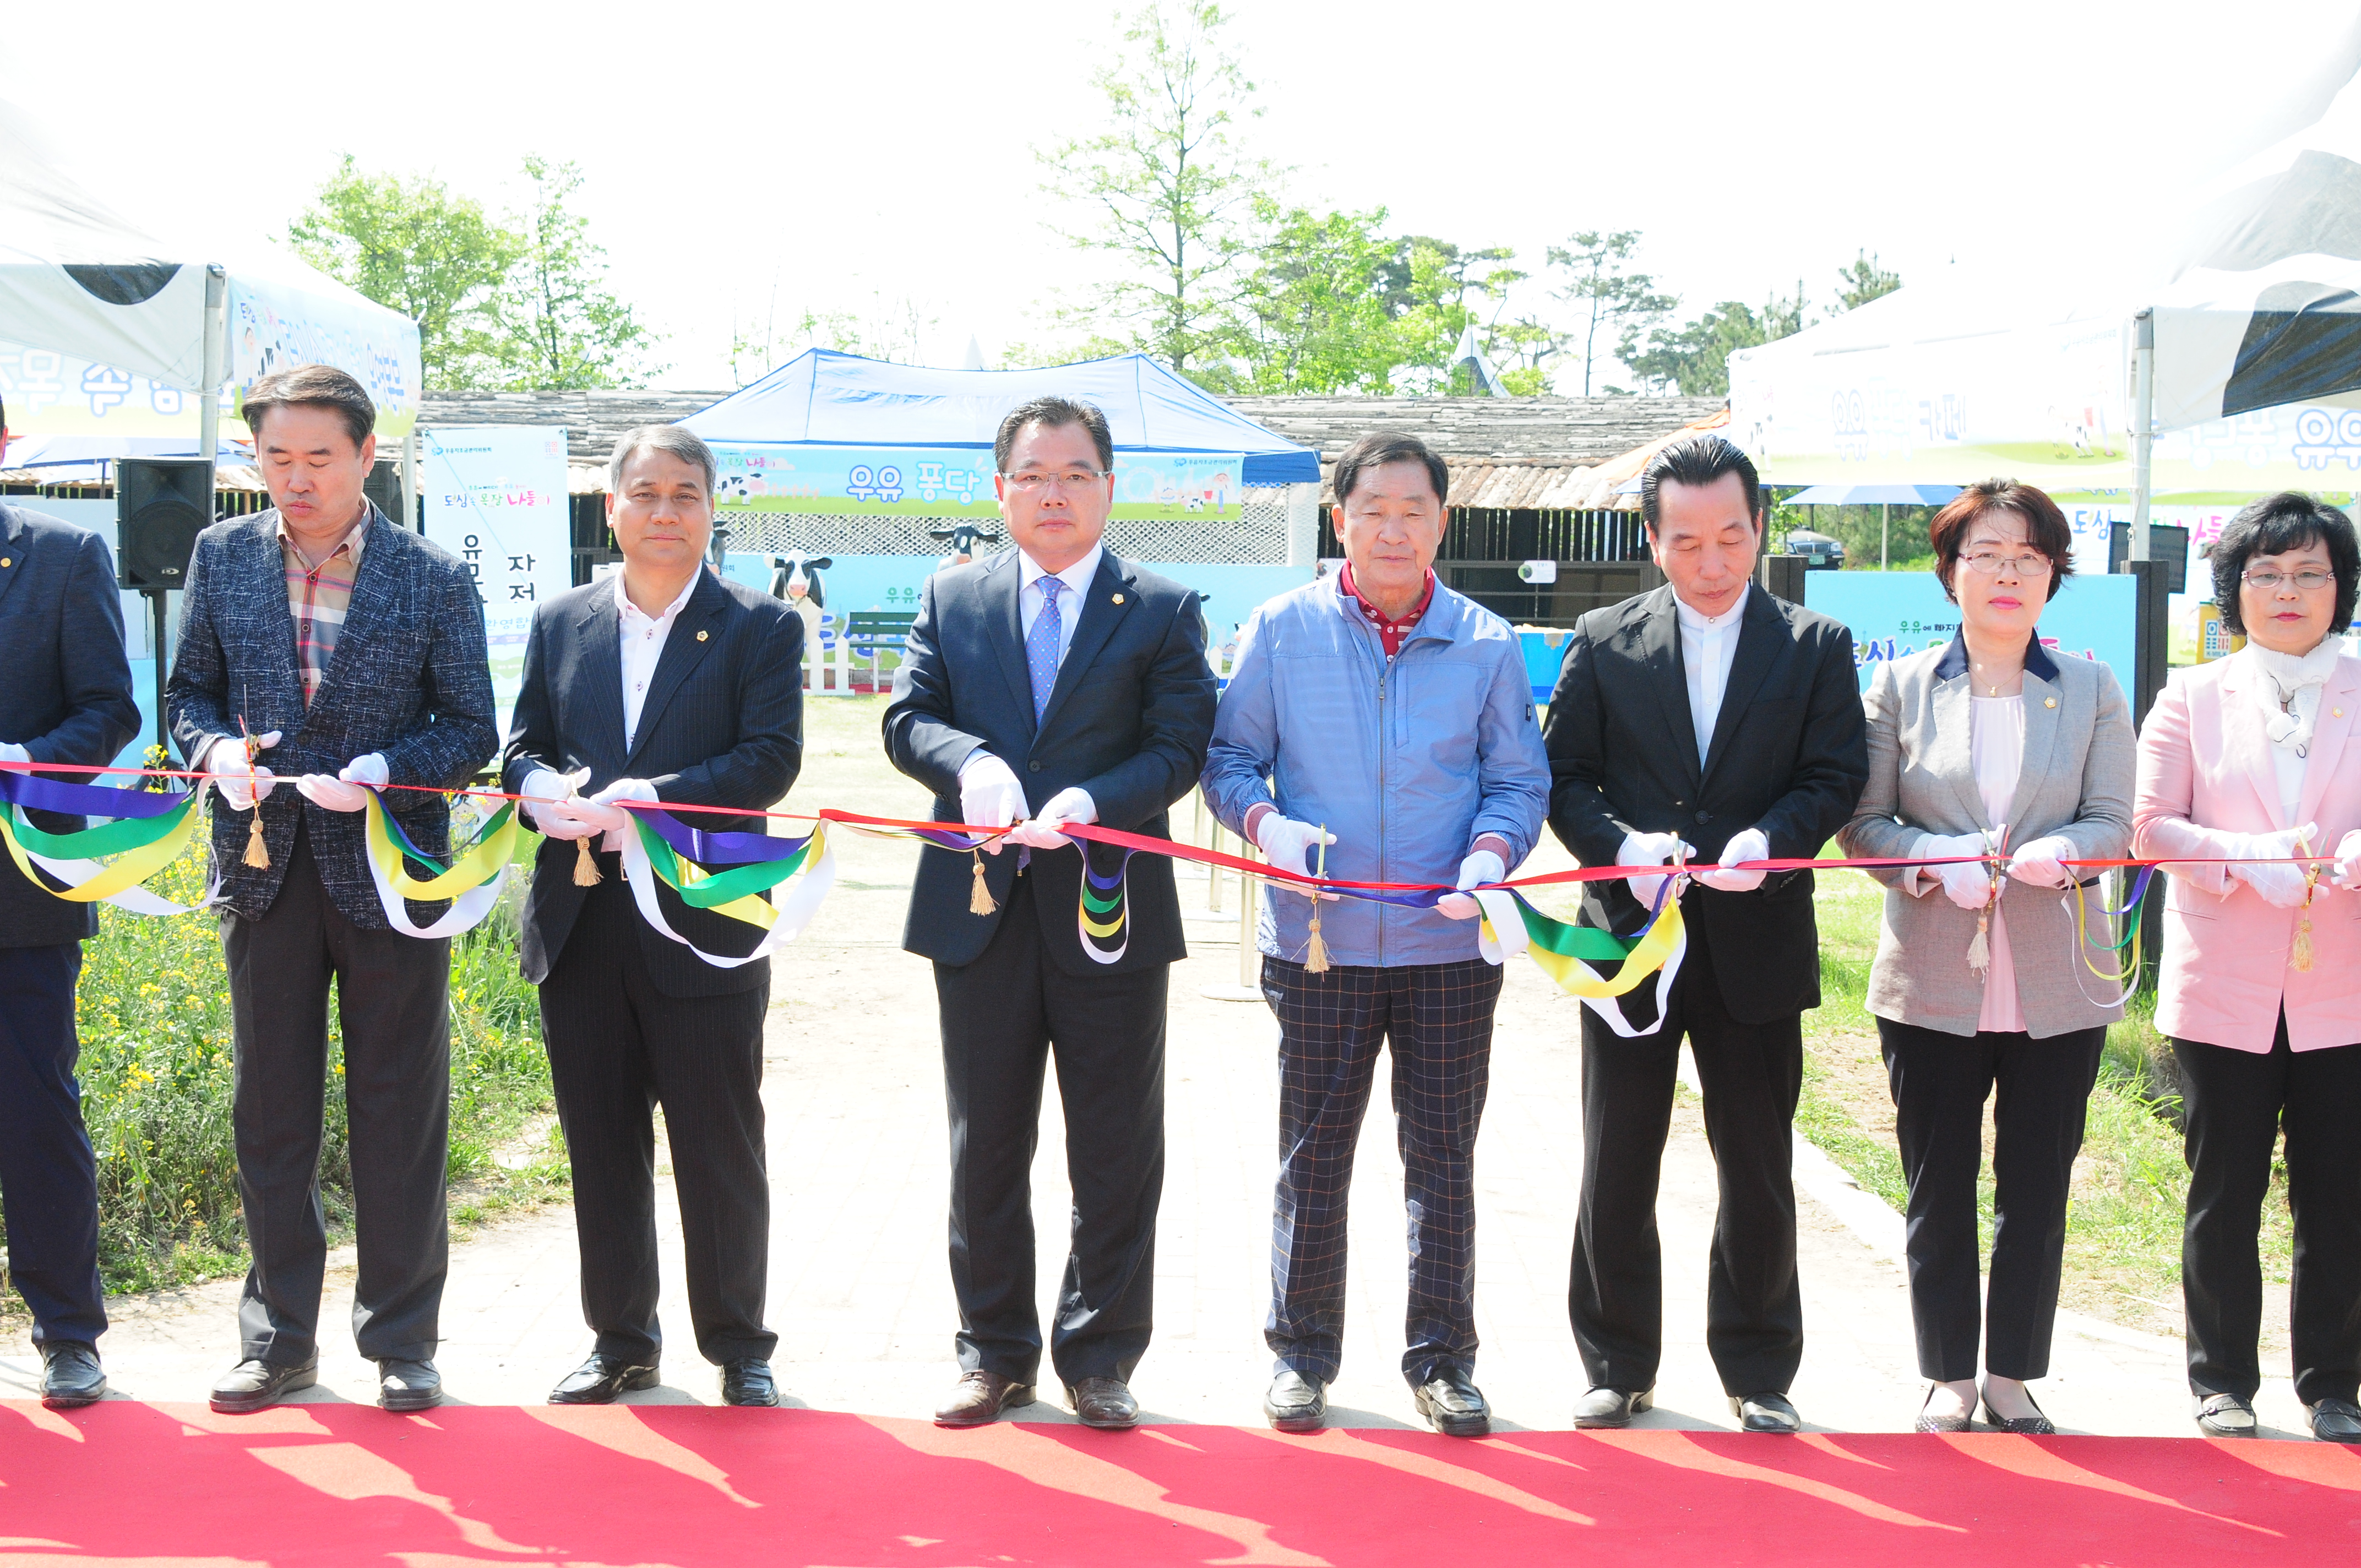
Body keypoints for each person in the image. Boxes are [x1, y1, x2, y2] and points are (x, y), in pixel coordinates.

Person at [1201, 431, 1548, 1437]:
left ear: (1443, 520)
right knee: (1313, 1156)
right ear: (1338, 517)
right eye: (1373, 509)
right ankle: (1301, 1355)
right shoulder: (1281, 630)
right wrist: (1267, 824)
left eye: (1414, 510)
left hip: (1448, 949)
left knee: (1443, 1159)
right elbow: (1230, 760)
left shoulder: (1485, 643)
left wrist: (1491, 856)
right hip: (1319, 945)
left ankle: (1443, 1360)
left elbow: (1519, 780)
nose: (1392, 529)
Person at [167, 365, 497, 1414]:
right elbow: (186, 697)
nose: (295, 479)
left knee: (399, 1107)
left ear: (366, 456)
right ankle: (278, 1342)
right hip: (264, 868)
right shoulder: (222, 557)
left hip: (391, 870)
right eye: (276, 457)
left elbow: (471, 729)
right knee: (271, 1111)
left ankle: (403, 1340)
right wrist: (213, 747)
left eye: (318, 458)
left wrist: (385, 773)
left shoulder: (432, 576)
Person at [885, 395, 1216, 1430]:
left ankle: (1101, 1355)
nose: (1055, 492)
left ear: (1109, 488)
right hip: (978, 902)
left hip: (1106, 905)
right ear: (1002, 489)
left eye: (1076, 473)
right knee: (985, 1139)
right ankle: (994, 1352)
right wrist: (969, 760)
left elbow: (1180, 748)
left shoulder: (1161, 608)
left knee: (1114, 1141)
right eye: (1035, 474)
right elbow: (907, 718)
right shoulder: (954, 596)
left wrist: (1094, 802)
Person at [1541, 432, 1868, 1434]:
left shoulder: (1814, 645)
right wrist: (1618, 842)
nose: (1712, 561)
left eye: (1731, 536)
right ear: (1652, 540)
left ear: (1759, 527)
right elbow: (1561, 776)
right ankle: (1616, 1359)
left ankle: (1760, 1367)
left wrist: (1775, 837)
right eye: (1687, 541)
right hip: (1625, 937)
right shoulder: (1603, 638)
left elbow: (1835, 774)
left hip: (1757, 934)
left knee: (1758, 1157)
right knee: (1617, 1152)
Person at [503, 424, 804, 1408]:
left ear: (713, 507)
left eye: (686, 494)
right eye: (646, 493)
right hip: (582, 918)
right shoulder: (563, 621)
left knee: (719, 1141)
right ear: (613, 506)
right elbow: (520, 747)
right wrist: (539, 783)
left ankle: (739, 1344)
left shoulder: (759, 626)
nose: (665, 512)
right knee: (600, 1142)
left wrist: (653, 793)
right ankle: (621, 1340)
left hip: (704, 920)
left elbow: (769, 760)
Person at [1837, 481, 2134, 1434]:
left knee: (2038, 1188)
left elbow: (2115, 822)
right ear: (1950, 571)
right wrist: (1928, 860)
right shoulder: (1899, 685)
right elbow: (1864, 826)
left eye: (2029, 556)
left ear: (2054, 575)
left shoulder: (2092, 688)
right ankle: (1946, 1376)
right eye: (1987, 554)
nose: (2007, 573)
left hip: (2059, 982)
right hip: (1931, 980)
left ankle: (2011, 1375)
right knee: (1937, 1185)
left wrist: (2070, 854)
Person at [2134, 491, 2361, 1445]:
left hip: (2343, 985)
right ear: (2234, 589)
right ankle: (2221, 1377)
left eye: (2311, 571)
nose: (2288, 590)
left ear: (2342, 586)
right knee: (2224, 1185)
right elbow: (2150, 829)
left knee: (2340, 1189)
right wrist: (2247, 858)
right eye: (2266, 573)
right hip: (2222, 983)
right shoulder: (2192, 695)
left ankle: (2336, 1382)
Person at [0, 391, 142, 1408]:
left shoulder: (60, 556)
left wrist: (26, 761)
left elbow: (110, 712)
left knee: (35, 1113)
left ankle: (67, 1333)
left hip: (19, 896)